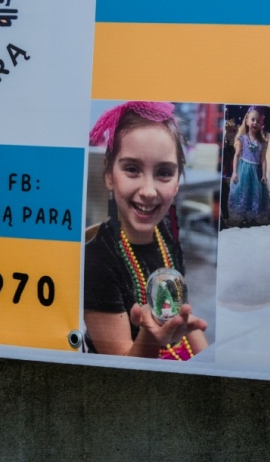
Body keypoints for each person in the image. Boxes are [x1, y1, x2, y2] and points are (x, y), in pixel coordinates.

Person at [83, 101, 209, 359]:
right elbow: (122, 368)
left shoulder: (168, 232)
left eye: (164, 172)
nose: (149, 191)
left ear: (177, 181)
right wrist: (151, 336)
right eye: (132, 169)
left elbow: (181, 309)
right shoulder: (96, 261)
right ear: (109, 174)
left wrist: (210, 364)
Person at [227, 106, 269, 226]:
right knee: (244, 192)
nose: (255, 123)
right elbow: (236, 155)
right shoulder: (243, 138)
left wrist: (264, 174)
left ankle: (253, 217)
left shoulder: (261, 142)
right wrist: (234, 172)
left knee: (254, 193)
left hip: (256, 171)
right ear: (246, 121)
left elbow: (263, 160)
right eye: (253, 120)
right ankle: (244, 217)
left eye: (258, 121)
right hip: (244, 170)